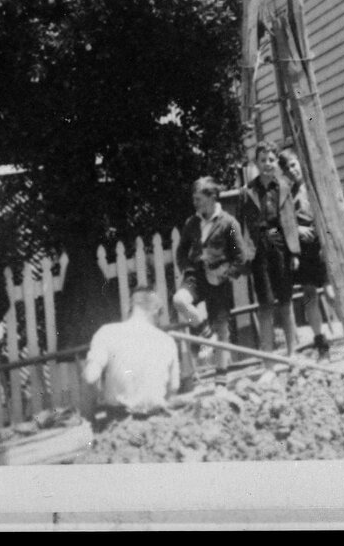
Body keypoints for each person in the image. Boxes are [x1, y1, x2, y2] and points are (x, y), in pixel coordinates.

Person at [173, 176, 248, 375]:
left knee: (221, 327)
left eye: (198, 198)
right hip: (196, 276)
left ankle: (221, 377)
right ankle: (205, 334)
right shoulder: (192, 223)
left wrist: (226, 274)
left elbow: (240, 257)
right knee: (179, 300)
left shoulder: (228, 224)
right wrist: (187, 269)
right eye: (194, 198)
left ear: (212, 197)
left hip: (218, 278)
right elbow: (181, 252)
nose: (194, 203)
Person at [240, 142, 302, 357]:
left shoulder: (284, 186)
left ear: (276, 162)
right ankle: (268, 357)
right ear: (256, 163)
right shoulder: (247, 191)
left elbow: (291, 221)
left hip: (278, 238)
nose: (267, 164)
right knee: (265, 302)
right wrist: (243, 250)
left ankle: (292, 352)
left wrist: (293, 252)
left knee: (285, 299)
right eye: (263, 160)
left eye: (271, 160)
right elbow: (238, 226)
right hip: (258, 244)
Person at [82, 287, 181, 422]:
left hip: (119, 423)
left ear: (131, 308)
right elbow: (173, 388)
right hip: (156, 423)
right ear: (155, 310)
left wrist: (101, 395)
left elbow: (90, 376)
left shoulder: (106, 333)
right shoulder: (167, 341)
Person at [277, 145, 335, 358]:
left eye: (293, 165)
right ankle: (321, 341)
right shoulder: (286, 195)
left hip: (322, 245)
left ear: (299, 163)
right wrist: (297, 229)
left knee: (331, 291)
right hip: (304, 249)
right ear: (283, 173)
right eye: (287, 169)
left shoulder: (314, 186)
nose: (292, 170)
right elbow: (284, 221)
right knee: (309, 294)